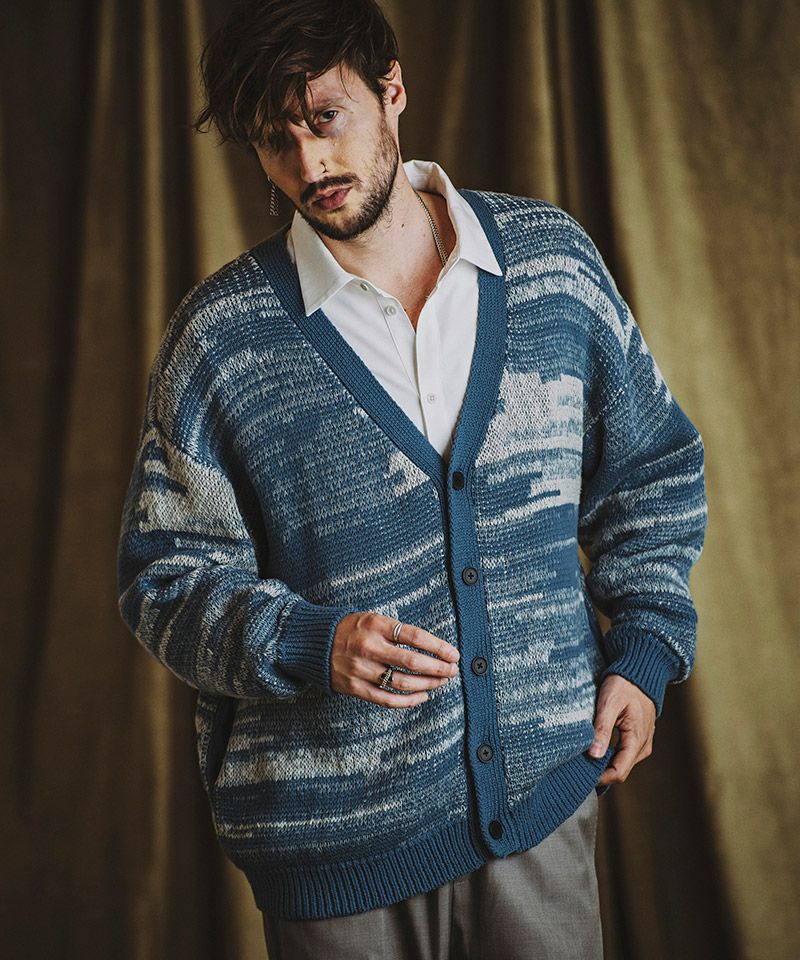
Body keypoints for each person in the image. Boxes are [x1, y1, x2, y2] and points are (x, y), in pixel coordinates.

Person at [115, 0, 708, 957]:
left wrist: (644, 648)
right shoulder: (220, 340)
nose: (309, 163)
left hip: (542, 810)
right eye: (274, 139)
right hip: (332, 847)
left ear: (392, 90)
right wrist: (308, 643)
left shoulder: (550, 265)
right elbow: (163, 579)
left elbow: (651, 469)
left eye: (325, 118)